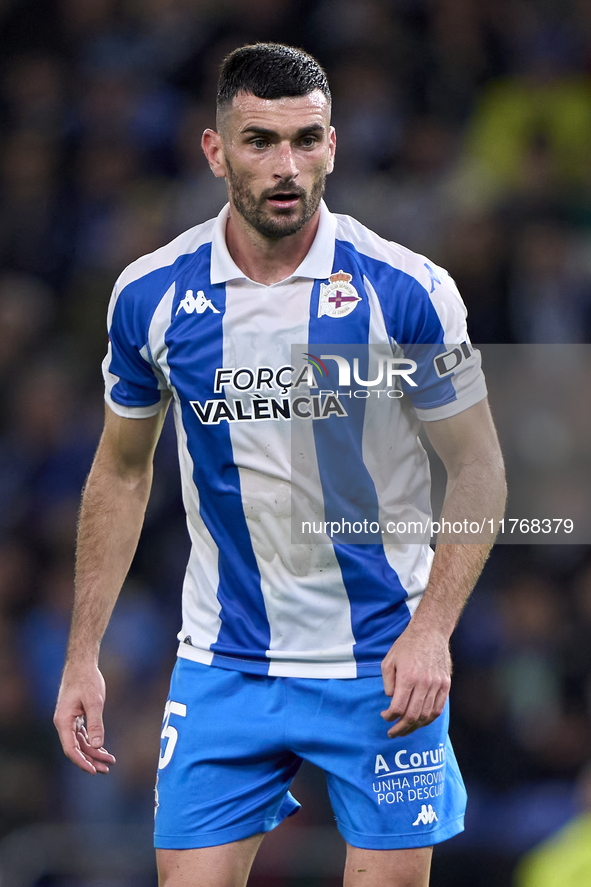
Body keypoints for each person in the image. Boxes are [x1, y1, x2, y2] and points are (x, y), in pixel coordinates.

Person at [54, 43, 506, 887]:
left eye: (305, 140)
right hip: (226, 662)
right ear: (215, 150)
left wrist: (432, 629)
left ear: (333, 145)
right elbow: (120, 471)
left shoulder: (406, 292)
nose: (286, 166)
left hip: (382, 659)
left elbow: (478, 467)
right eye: (259, 140)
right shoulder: (151, 296)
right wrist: (85, 654)